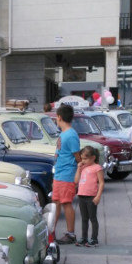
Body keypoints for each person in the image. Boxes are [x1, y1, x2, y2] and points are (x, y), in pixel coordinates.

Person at [50, 104, 81, 244]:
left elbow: (77, 156)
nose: (56, 120)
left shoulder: (71, 135)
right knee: (55, 203)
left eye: (56, 117)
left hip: (66, 175)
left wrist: (78, 172)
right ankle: (51, 232)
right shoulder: (64, 134)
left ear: (59, 117)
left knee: (66, 203)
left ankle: (70, 233)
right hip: (60, 174)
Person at [74, 145, 104, 247]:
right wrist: (79, 169)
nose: (83, 161)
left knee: (93, 218)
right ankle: (84, 237)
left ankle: (94, 238)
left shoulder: (97, 168)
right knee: (84, 218)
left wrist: (98, 196)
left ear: (93, 158)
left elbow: (101, 183)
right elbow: (76, 181)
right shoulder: (83, 167)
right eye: (82, 158)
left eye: (85, 159)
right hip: (81, 195)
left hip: (91, 196)